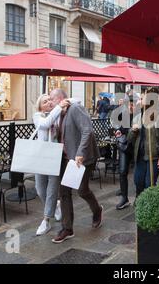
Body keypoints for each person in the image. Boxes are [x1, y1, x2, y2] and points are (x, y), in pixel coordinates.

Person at [49, 89, 103, 244]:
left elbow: (88, 130)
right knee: (64, 192)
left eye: (52, 100)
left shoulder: (76, 108)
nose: (51, 103)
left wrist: (80, 152)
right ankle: (67, 228)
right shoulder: (59, 112)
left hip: (83, 158)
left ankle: (97, 210)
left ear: (60, 98)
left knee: (82, 190)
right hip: (67, 159)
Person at [32, 94, 70, 236]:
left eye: (49, 100)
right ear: (40, 106)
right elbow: (45, 124)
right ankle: (56, 206)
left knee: (52, 190)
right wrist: (58, 108)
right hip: (41, 156)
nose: (48, 102)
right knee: (40, 189)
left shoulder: (59, 115)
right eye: (45, 101)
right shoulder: (37, 116)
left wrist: (61, 109)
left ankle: (46, 221)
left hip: (55, 156)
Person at [128, 92, 159, 198]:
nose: (139, 100)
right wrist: (133, 131)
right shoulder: (138, 117)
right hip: (140, 155)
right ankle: (139, 201)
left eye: (142, 98)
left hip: (154, 156)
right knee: (138, 181)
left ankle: (150, 204)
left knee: (150, 184)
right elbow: (129, 139)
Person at [113, 98, 135, 210]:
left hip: (136, 147)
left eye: (133, 105)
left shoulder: (140, 116)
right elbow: (119, 127)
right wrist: (118, 131)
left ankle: (140, 197)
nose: (131, 107)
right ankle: (124, 197)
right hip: (125, 146)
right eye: (129, 105)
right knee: (122, 171)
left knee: (138, 175)